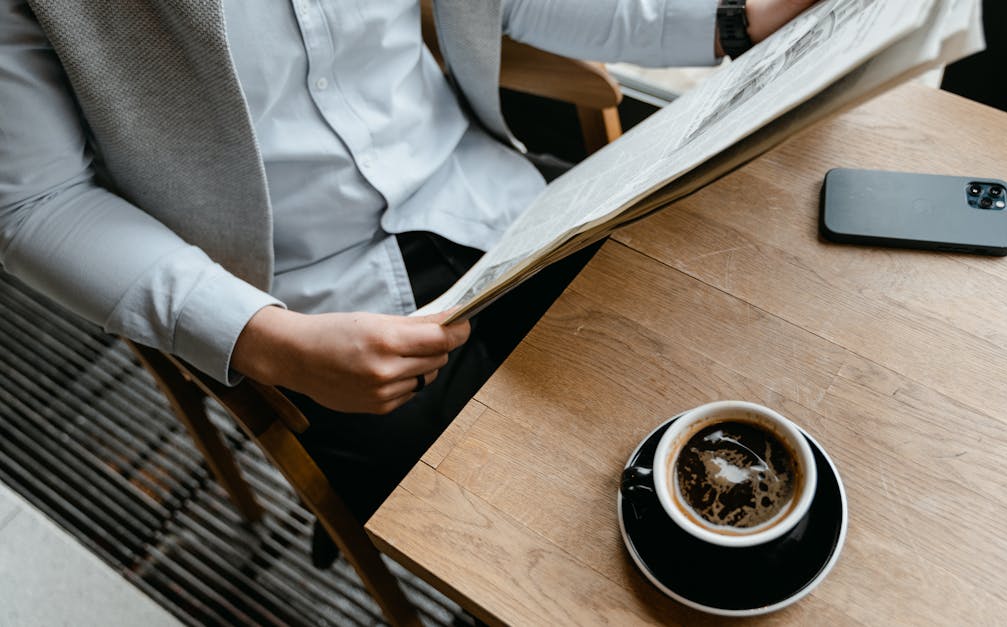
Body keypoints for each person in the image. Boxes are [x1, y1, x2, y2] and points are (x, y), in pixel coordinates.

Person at [0, 0, 818, 565]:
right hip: (298, 304)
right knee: (525, 548)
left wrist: (729, 18)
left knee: (703, 375)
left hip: (492, 202)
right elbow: (33, 200)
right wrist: (262, 337)